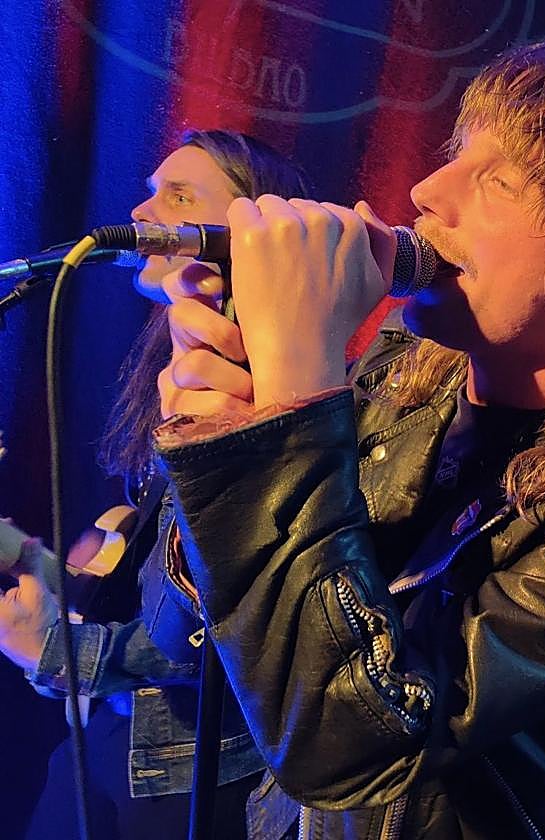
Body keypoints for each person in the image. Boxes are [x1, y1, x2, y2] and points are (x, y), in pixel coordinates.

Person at [151, 37, 545, 839]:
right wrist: (232, 438)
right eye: (458, 154)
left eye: (499, 180)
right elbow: (185, 638)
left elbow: (349, 746)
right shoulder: (399, 374)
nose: (427, 191)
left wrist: (295, 406)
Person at [0, 129, 312, 840]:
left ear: (251, 226)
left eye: (179, 197)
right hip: (122, 740)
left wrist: (64, 654)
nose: (143, 213)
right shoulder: (168, 374)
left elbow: (227, 624)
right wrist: (28, 558)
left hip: (191, 771)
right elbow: (158, 593)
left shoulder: (272, 393)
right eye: (151, 193)